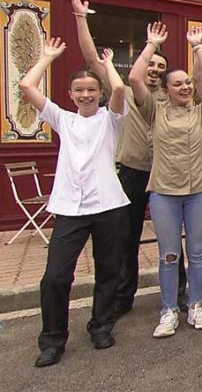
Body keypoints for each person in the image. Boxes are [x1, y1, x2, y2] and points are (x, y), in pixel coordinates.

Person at [73, 0, 188, 318]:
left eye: (160, 66)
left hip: (166, 175)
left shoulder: (170, 100)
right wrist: (81, 17)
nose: (154, 69)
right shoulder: (120, 93)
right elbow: (92, 59)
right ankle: (124, 299)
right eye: (150, 64)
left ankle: (179, 294)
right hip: (132, 172)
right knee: (126, 239)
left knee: (171, 240)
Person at [20, 38, 129, 367]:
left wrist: (108, 65)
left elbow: (120, 91)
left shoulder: (111, 119)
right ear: (70, 95)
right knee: (55, 276)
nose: (85, 95)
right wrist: (47, 57)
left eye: (91, 90)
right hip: (70, 209)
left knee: (109, 271)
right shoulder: (62, 118)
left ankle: (101, 326)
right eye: (79, 90)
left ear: (99, 93)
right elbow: (26, 85)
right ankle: (53, 339)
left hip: (109, 205)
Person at [129, 22, 202, 338]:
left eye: (187, 83)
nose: (185, 87)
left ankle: (195, 305)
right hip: (164, 193)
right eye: (177, 84)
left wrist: (198, 47)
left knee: (197, 253)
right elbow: (134, 78)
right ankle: (168, 310)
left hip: (200, 192)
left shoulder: (201, 111)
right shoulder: (154, 110)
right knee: (169, 255)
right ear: (165, 89)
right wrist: (152, 44)